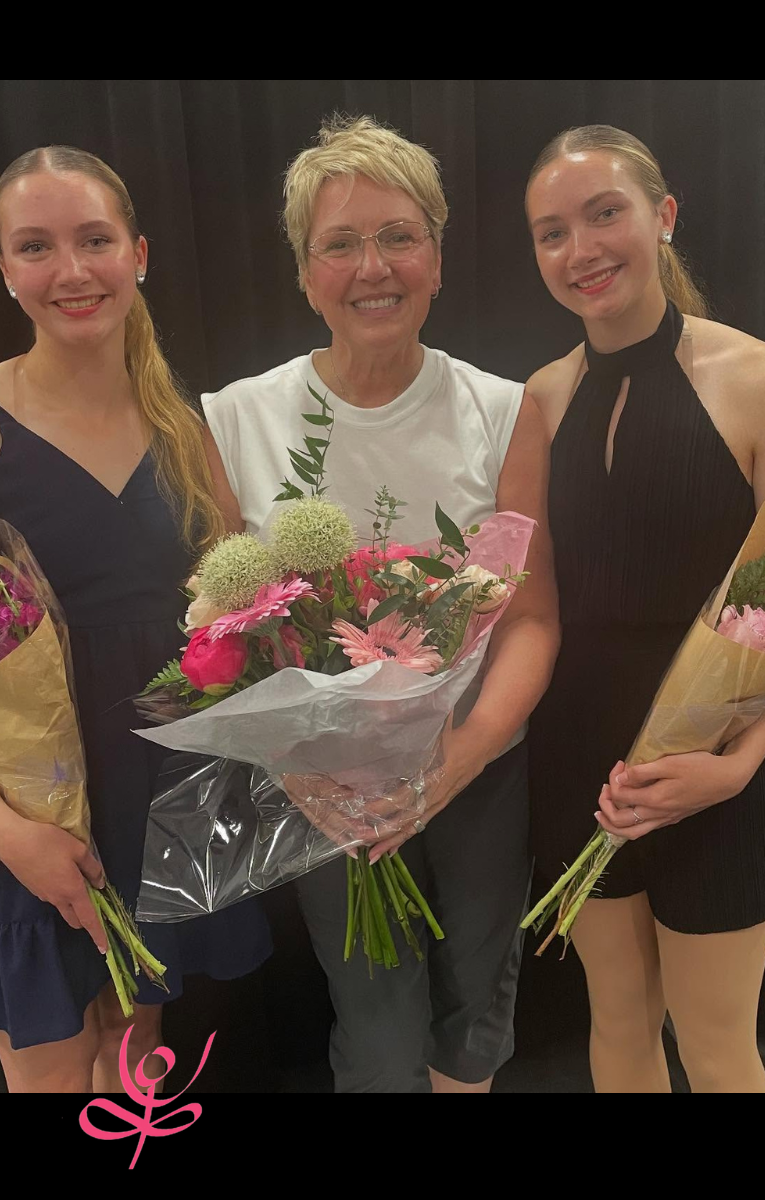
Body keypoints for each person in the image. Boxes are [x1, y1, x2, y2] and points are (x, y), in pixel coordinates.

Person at [203, 115, 560, 1093]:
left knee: (475, 1000)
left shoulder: (501, 408)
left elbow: (527, 616)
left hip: (476, 761)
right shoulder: (233, 421)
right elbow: (220, 626)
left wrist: (454, 761)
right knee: (372, 1015)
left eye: (399, 235)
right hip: (324, 782)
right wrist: (300, 764)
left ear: (437, 258)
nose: (373, 266)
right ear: (302, 268)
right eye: (340, 243)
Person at [0, 146, 271, 1093]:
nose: (72, 270)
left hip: (157, 802)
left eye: (94, 240)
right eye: (36, 247)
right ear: (6, 272)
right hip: (23, 812)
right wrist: (4, 831)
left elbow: (237, 613)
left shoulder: (184, 424)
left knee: (137, 1076)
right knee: (53, 1076)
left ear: (138, 253)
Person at [526, 124, 765, 1093]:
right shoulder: (539, 401)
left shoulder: (752, 378)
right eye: (550, 231)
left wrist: (741, 765)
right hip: (581, 766)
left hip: (721, 775)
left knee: (714, 1046)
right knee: (617, 1026)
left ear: (661, 216)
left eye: (602, 213)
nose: (579, 249)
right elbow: (531, 608)